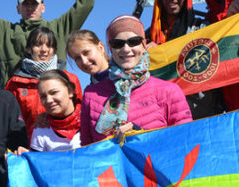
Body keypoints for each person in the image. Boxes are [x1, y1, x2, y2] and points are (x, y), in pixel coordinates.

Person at [80, 15, 192, 145]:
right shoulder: (91, 95)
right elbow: (87, 150)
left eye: (134, 41)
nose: (126, 49)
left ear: (144, 44)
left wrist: (139, 135)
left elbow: (185, 141)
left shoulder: (169, 91)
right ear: (110, 49)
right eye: (118, 44)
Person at [4, 27, 82, 137]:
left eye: (49, 45)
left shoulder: (70, 79)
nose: (44, 50)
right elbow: (8, 120)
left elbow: (81, 112)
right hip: (29, 148)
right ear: (29, 49)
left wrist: (52, 119)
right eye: (38, 45)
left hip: (66, 144)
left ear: (54, 49)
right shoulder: (15, 84)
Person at [29, 70, 81, 151]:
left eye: (54, 93)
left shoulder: (89, 120)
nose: (48, 100)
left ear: (70, 91)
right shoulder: (41, 128)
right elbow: (37, 160)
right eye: (43, 96)